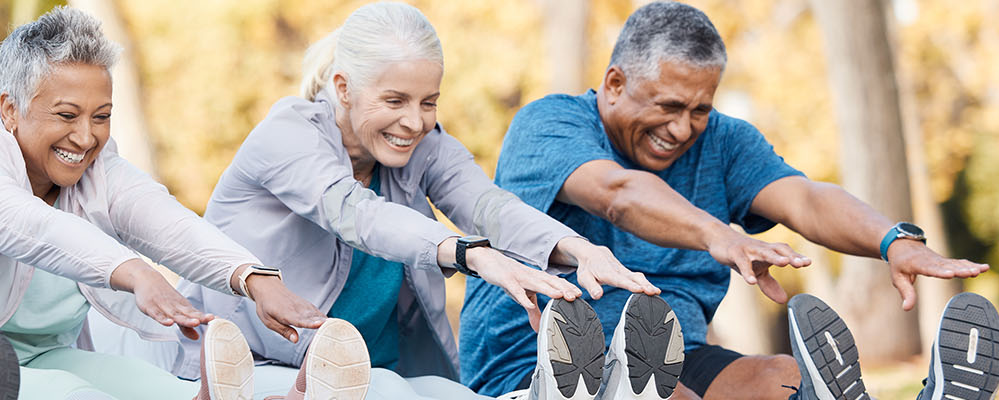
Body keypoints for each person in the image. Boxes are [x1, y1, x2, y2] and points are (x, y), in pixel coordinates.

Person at [0, 7, 331, 400]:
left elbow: (165, 220)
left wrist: (255, 279)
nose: (86, 136)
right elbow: (31, 229)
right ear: (10, 109)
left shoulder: (97, 169)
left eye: (101, 116)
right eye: (67, 115)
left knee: (161, 391)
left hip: (40, 357)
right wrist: (135, 273)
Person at [460, 2, 993, 399]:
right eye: (669, 105)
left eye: (699, 109)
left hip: (675, 354)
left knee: (784, 381)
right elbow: (618, 195)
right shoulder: (550, 124)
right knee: (664, 392)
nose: (682, 128)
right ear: (615, 84)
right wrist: (718, 233)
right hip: (539, 366)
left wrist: (892, 241)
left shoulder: (724, 141)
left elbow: (804, 200)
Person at [178, 3, 664, 399]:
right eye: (395, 101)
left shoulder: (421, 147)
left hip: (381, 370)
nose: (414, 122)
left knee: (448, 396)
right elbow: (357, 214)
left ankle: (565, 393)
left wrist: (580, 249)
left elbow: (488, 205)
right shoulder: (287, 135)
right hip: (256, 367)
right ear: (344, 88)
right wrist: (469, 253)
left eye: (428, 102)